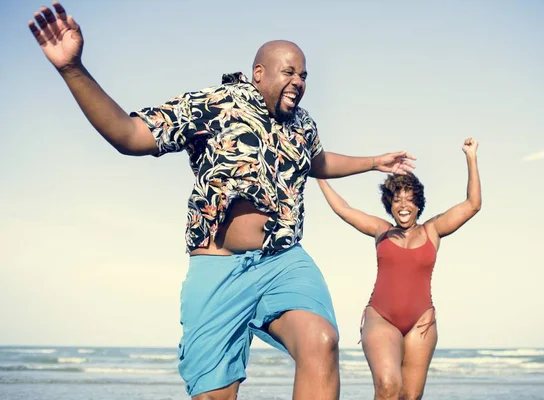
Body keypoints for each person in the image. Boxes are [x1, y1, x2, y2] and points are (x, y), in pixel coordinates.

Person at [28, 3, 417, 399]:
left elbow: (316, 161)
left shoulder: (303, 123)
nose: (298, 81)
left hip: (283, 261)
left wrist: (372, 162)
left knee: (321, 339)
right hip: (218, 270)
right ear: (258, 73)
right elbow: (130, 135)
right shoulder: (215, 105)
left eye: (303, 75)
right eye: (289, 72)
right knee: (216, 395)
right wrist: (71, 69)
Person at [317, 138, 481, 400]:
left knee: (410, 396)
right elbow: (343, 209)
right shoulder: (382, 230)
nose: (403, 205)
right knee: (388, 385)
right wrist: (318, 173)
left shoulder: (433, 230)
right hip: (381, 317)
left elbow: (472, 204)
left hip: (421, 323)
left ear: (418, 204)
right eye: (397, 200)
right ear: (389, 204)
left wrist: (470, 157)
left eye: (409, 200)